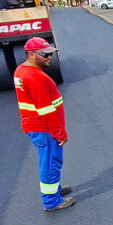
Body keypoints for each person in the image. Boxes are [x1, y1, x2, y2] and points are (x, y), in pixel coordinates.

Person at [14, 37, 74, 211]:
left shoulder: (21, 71)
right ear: (32, 54)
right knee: (50, 162)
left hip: (35, 125)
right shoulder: (35, 77)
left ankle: (54, 190)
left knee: (48, 161)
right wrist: (59, 133)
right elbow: (46, 110)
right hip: (44, 127)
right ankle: (51, 201)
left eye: (50, 53)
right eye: (45, 54)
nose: (49, 57)